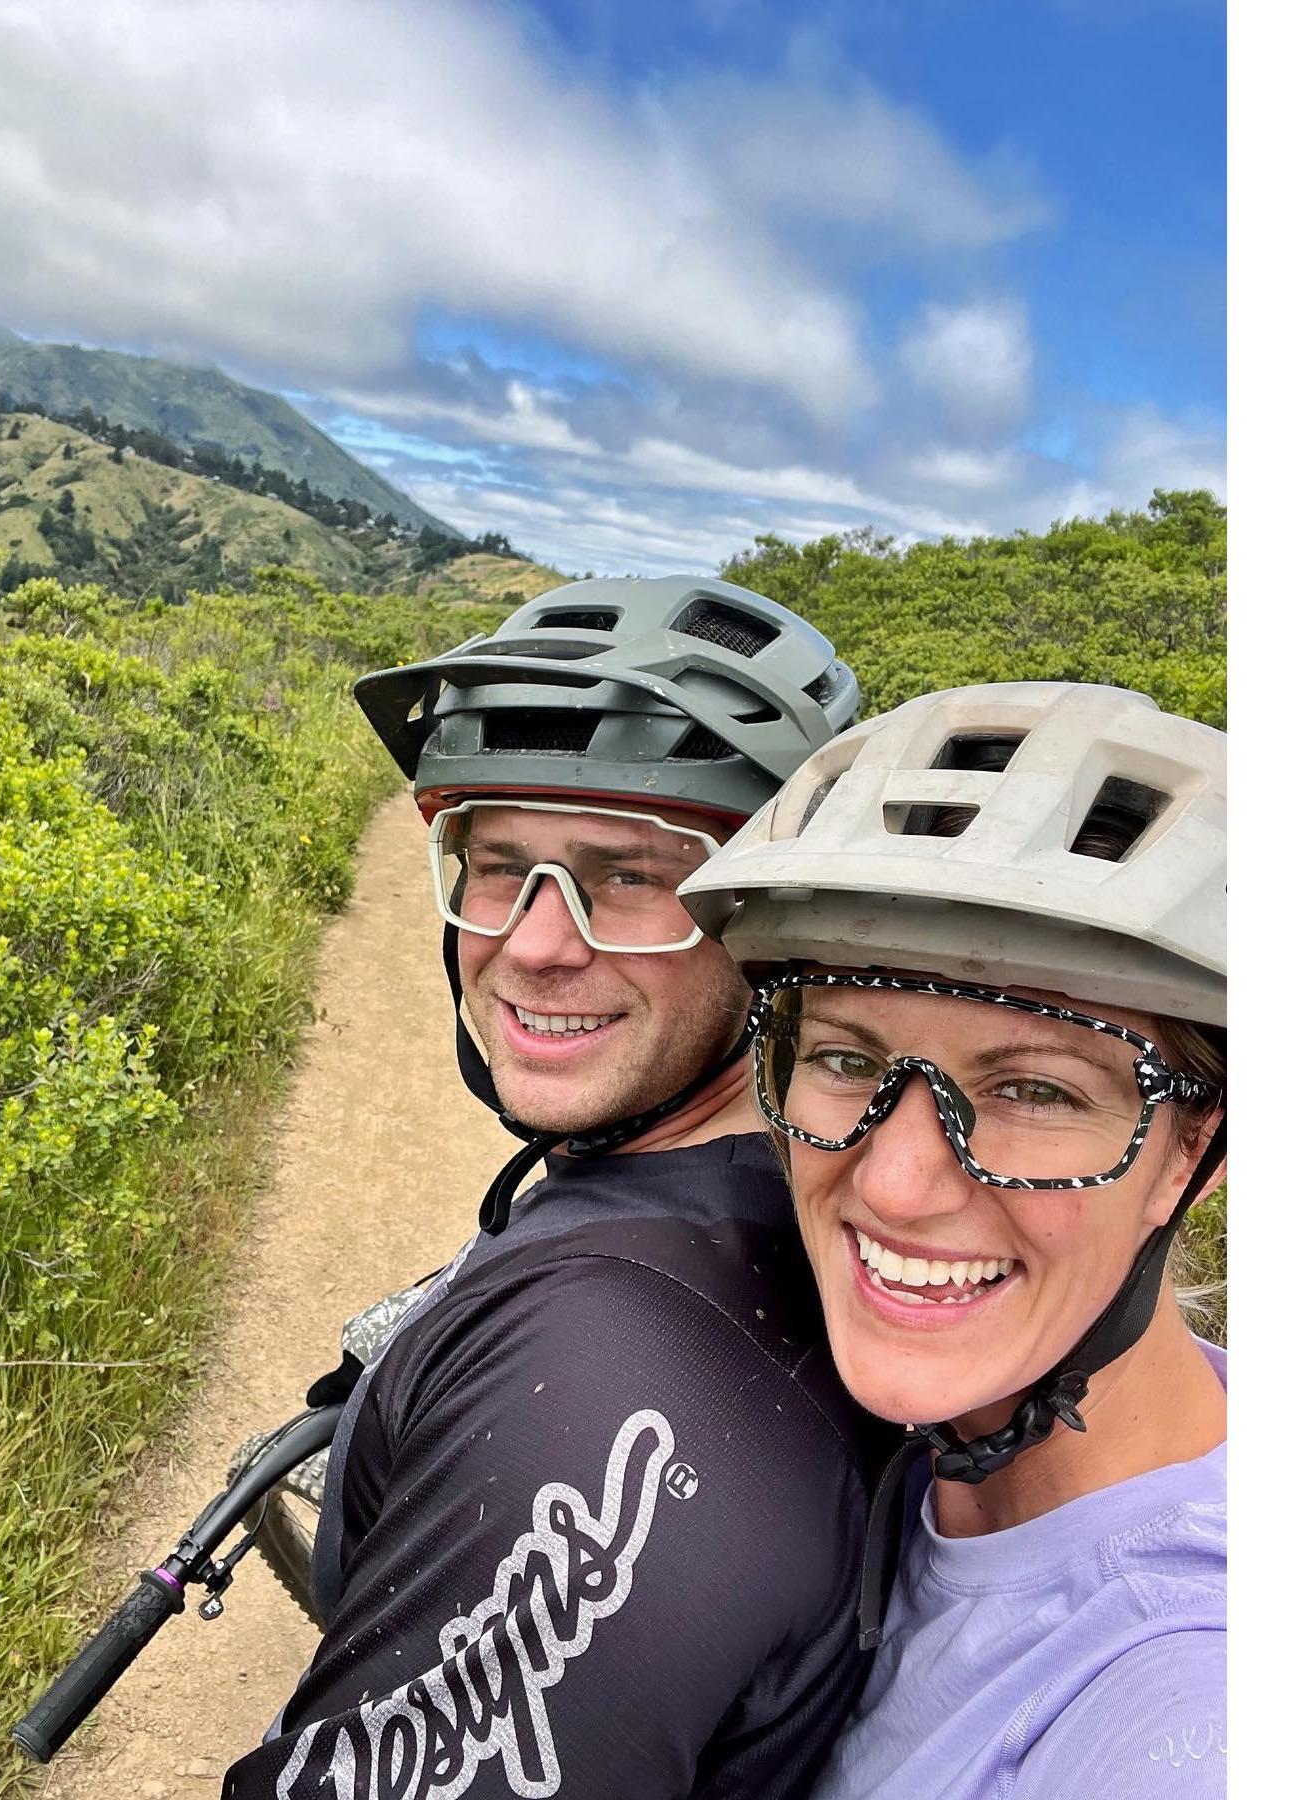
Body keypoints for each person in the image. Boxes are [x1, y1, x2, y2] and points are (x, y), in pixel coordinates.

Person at [221, 577, 887, 1800]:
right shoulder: (790, 1203)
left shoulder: (602, 1383)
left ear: (771, 928)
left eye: (627, 877)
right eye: (499, 866)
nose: (534, 942)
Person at [677, 679, 1227, 1796]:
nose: (897, 1181)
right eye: (843, 1058)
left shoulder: (1191, 1698)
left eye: (1033, 1087)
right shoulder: (937, 1444)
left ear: (1193, 1152)